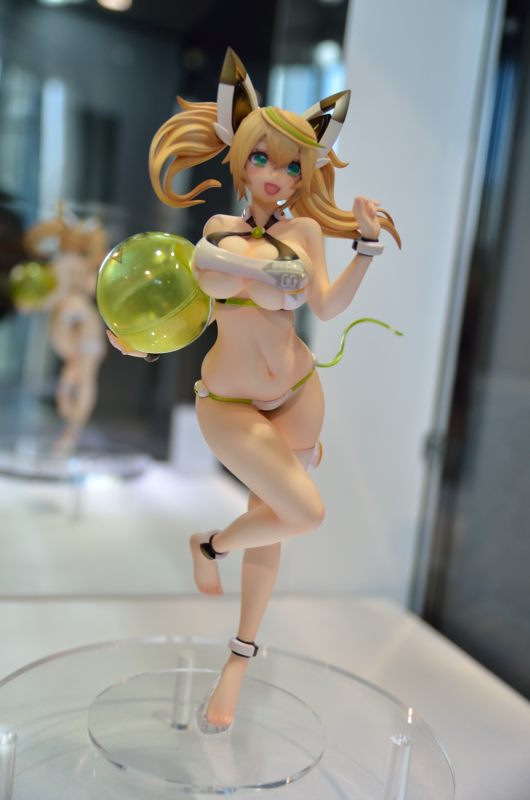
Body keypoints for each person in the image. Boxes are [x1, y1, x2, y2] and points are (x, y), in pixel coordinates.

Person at [109, 49, 400, 732]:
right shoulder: (217, 232)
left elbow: (325, 306)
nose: (277, 175)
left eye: (293, 166)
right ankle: (210, 545)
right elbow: (194, 311)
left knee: (275, 521)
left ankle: (238, 660)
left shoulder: (304, 231)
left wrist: (364, 248)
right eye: (263, 159)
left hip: (298, 391)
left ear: (306, 173)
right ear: (241, 161)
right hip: (230, 405)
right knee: (304, 512)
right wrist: (142, 342)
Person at [21, 212, 109, 450]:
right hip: (74, 327)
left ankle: (72, 430)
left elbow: (56, 296)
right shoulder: (67, 265)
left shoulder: (68, 266)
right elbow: (55, 295)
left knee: (79, 377)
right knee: (77, 377)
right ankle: (71, 429)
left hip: (80, 325)